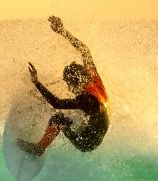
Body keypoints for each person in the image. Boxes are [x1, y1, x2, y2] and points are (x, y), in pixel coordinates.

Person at [18, 15, 110, 156]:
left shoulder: (88, 99)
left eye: (69, 84)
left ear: (76, 81)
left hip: (86, 141)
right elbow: (85, 50)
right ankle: (38, 111)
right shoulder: (94, 78)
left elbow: (57, 103)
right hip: (91, 129)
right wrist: (63, 32)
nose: (69, 88)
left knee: (58, 117)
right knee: (62, 108)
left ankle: (39, 148)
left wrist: (37, 82)